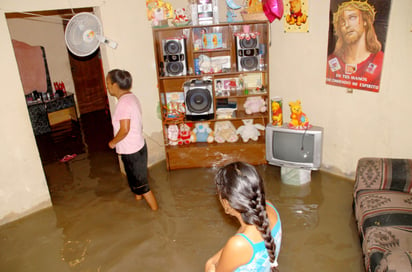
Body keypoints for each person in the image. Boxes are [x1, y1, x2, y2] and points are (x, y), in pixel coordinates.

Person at [205, 162, 282, 272]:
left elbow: (213, 264)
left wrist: (209, 266)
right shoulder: (270, 208)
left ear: (227, 203)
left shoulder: (238, 244)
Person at [106, 69, 158, 211]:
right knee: (136, 180)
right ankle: (138, 199)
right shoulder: (131, 97)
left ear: (116, 85)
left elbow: (124, 129)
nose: (107, 87)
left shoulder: (123, 104)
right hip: (139, 146)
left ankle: (155, 212)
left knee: (142, 185)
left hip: (132, 152)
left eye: (108, 84)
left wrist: (113, 142)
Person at [326, 0, 384, 91]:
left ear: (365, 21)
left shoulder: (380, 61)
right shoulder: (331, 62)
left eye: (352, 17)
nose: (347, 25)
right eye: (342, 21)